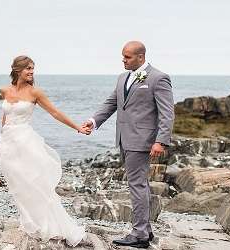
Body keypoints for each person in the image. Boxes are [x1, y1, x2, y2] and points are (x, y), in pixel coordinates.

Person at [82, 41, 174, 248]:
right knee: (140, 184)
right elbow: (112, 103)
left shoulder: (158, 78)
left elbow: (167, 113)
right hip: (124, 138)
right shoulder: (123, 77)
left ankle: (139, 234)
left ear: (140, 57)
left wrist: (161, 141)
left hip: (142, 141)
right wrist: (94, 121)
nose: (123, 60)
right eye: (123, 56)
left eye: (127, 57)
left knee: (137, 184)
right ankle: (145, 230)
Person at [0, 56, 89, 247]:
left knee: (35, 184)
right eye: (28, 68)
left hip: (27, 143)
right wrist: (1, 136)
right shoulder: (6, 90)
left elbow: (55, 113)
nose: (31, 72)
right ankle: (29, 221)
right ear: (17, 70)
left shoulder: (35, 92)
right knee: (18, 186)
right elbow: (5, 115)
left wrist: (77, 127)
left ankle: (49, 225)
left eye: (32, 69)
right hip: (7, 144)